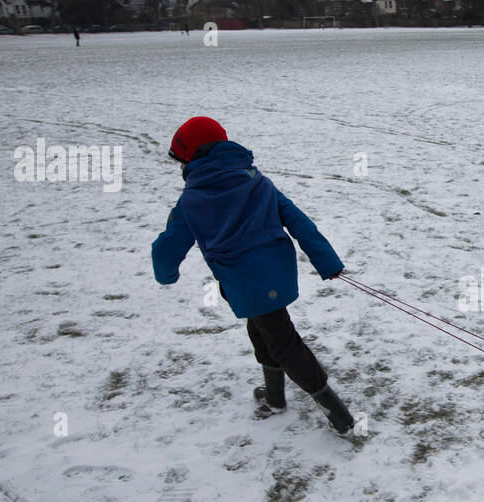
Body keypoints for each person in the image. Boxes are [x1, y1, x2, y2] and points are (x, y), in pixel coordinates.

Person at [151, 116, 355, 434]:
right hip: (275, 274)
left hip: (246, 284)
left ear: (192, 157)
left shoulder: (191, 200)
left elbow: (168, 245)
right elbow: (297, 219)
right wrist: (326, 261)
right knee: (261, 332)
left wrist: (165, 274)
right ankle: (274, 398)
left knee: (285, 344)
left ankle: (338, 415)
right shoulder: (256, 180)